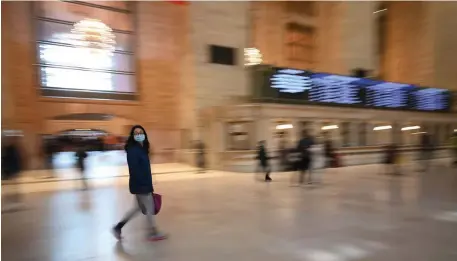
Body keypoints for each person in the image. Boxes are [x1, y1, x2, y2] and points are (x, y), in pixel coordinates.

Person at [112, 125, 167, 241]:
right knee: (150, 208)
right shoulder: (133, 150)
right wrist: (145, 186)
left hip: (144, 184)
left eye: (141, 132)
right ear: (132, 136)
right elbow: (134, 170)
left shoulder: (141, 149)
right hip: (141, 185)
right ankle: (153, 232)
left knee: (137, 208)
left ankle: (118, 227)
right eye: (136, 133)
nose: (139, 135)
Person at [1, 135, 24, 212]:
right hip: (9, 172)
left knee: (12, 187)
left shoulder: (11, 149)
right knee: (11, 187)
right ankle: (13, 202)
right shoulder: (8, 148)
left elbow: (13, 161)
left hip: (10, 171)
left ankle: (14, 202)